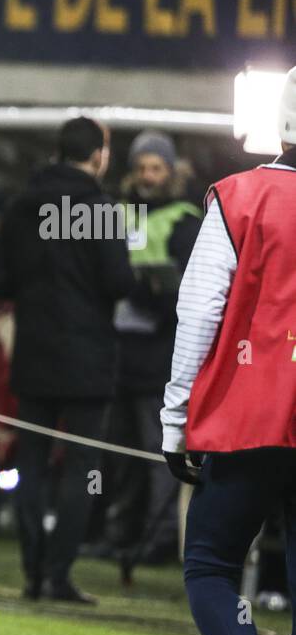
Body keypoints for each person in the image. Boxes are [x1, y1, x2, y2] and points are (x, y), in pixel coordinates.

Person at [160, 67, 296, 635]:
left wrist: (174, 417)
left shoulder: (239, 196)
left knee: (209, 564)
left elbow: (199, 311)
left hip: (249, 414)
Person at [0, 117, 136, 603]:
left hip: (34, 352)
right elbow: (119, 283)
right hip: (88, 356)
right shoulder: (102, 209)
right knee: (82, 466)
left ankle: (32, 573)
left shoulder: (23, 206)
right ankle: (58, 574)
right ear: (99, 155)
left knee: (32, 463)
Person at [99, 131, 201, 571]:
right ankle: (117, 533)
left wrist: (146, 293)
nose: (147, 176)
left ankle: (157, 540)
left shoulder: (186, 219)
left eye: (156, 168)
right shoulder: (117, 214)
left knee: (155, 453)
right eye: (141, 167)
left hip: (159, 352)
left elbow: (191, 290)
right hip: (114, 353)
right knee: (115, 451)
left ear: (172, 171)